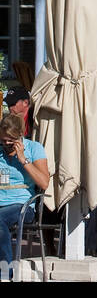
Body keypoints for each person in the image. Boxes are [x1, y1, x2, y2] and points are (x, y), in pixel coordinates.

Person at [0, 112, 49, 277]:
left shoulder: (34, 148)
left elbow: (44, 183)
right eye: (3, 140)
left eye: (10, 140)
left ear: (20, 136)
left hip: (22, 206)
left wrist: (23, 160)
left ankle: (5, 274)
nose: (6, 144)